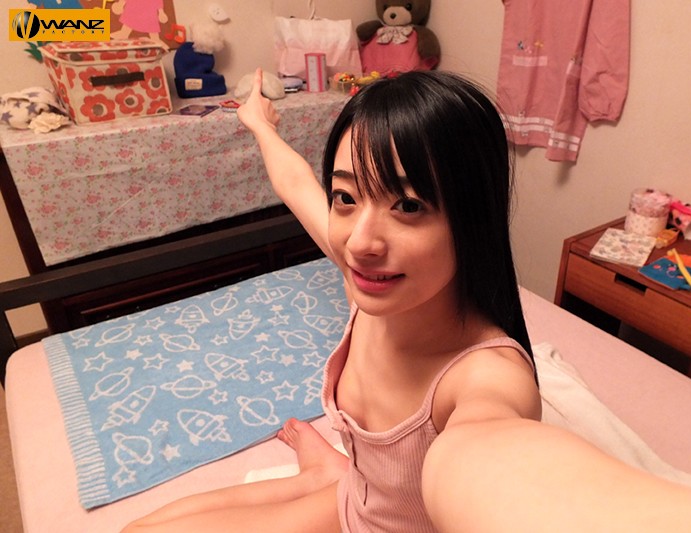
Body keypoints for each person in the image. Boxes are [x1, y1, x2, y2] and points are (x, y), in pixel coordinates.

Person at [122, 68, 541, 532]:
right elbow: (296, 182)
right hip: (356, 494)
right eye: (346, 197)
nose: (359, 242)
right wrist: (259, 122)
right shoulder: (374, 285)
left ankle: (326, 473)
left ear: (474, 218)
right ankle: (328, 472)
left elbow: (500, 454)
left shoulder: (486, 378)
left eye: (407, 206)